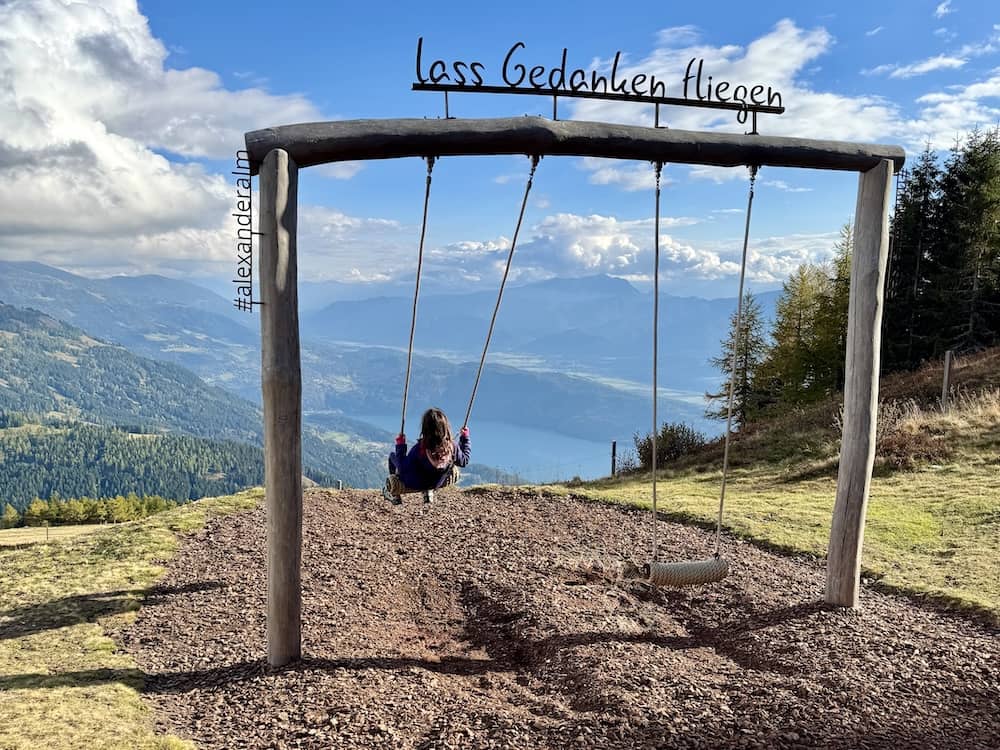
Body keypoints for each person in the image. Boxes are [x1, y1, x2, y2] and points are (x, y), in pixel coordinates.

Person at [383, 407, 471, 505]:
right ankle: (428, 492)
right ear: (445, 427)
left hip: (415, 483)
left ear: (425, 429)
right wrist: (465, 438)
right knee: (430, 471)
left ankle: (395, 495)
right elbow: (464, 461)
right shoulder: (451, 447)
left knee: (392, 456)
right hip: (437, 483)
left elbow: (402, 468)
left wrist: (400, 445)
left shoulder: (420, 449)